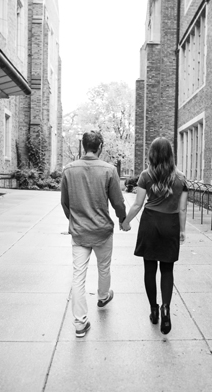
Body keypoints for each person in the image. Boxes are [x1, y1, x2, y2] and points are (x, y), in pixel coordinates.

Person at [60, 131, 127, 338]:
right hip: (102, 231)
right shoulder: (109, 170)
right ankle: (103, 296)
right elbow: (118, 202)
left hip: (80, 232)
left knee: (78, 276)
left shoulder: (69, 170)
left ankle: (80, 323)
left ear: (83, 147)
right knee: (103, 268)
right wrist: (123, 220)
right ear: (100, 147)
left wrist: (75, 220)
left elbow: (65, 202)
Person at [121, 137, 188, 335]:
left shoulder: (145, 175)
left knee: (149, 270)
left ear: (152, 154)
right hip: (171, 224)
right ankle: (166, 308)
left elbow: (137, 204)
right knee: (167, 270)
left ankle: (154, 309)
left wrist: (126, 222)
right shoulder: (181, 178)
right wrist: (182, 230)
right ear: (171, 155)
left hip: (150, 223)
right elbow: (182, 208)